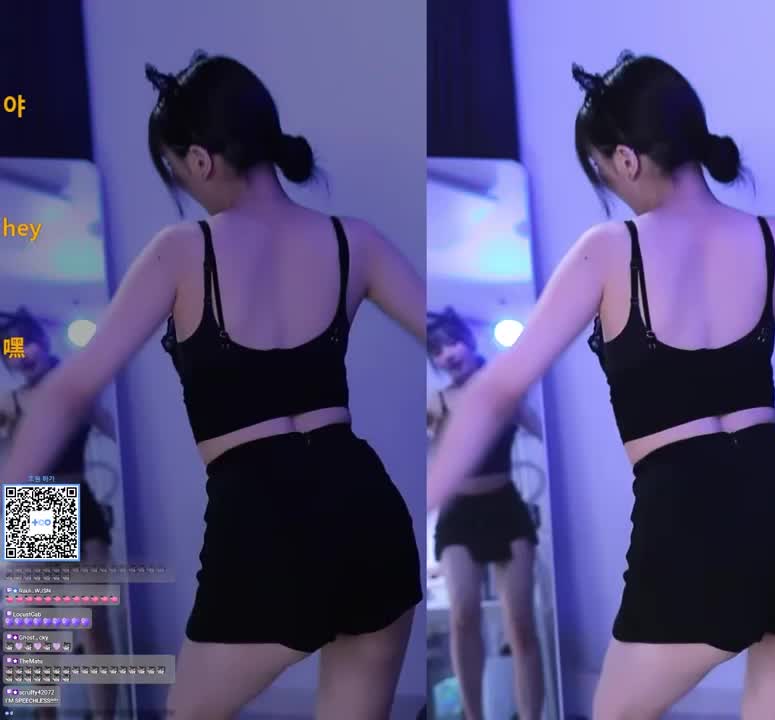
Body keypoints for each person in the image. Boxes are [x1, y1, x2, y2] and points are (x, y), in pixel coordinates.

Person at [426, 51, 775, 720]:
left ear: (625, 159)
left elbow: (497, 390)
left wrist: (422, 500)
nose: (608, 185)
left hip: (690, 517)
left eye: (599, 169)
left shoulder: (607, 249)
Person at [0, 52, 425, 720]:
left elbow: (70, 391)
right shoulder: (356, 242)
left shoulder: (181, 249)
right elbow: (454, 338)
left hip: (263, 519)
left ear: (200, 160)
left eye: (174, 170)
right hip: (366, 511)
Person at [426, 306, 545, 720]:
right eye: (437, 350)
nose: (447, 354)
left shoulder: (504, 389)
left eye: (452, 343)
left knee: (521, 622)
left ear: (469, 341)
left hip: (505, 507)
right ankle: (473, 716)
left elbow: (546, 431)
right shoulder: (438, 401)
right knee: (462, 614)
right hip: (458, 514)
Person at [0, 307, 120, 720]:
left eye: (24, 344)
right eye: (10, 350)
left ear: (43, 341)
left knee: (92, 623)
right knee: (39, 630)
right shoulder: (11, 401)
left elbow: (121, 429)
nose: (19, 355)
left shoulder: (75, 388)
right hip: (34, 506)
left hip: (79, 499)